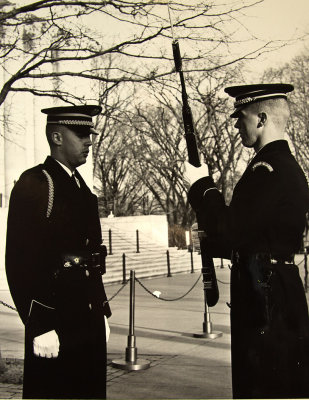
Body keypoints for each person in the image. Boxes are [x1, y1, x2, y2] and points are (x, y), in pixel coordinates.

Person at [183, 83, 309, 399]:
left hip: (266, 298)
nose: (237, 124)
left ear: (261, 118)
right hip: (268, 289)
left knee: (263, 385)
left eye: (242, 117)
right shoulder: (279, 167)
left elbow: (229, 230)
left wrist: (202, 186)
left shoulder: (268, 169)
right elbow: (241, 239)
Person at [5, 105, 112, 399]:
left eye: (89, 134)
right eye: (80, 134)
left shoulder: (82, 188)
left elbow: (91, 258)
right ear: (57, 136)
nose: (88, 141)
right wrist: (39, 325)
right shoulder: (37, 183)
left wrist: (101, 310)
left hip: (86, 319)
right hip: (55, 322)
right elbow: (19, 261)